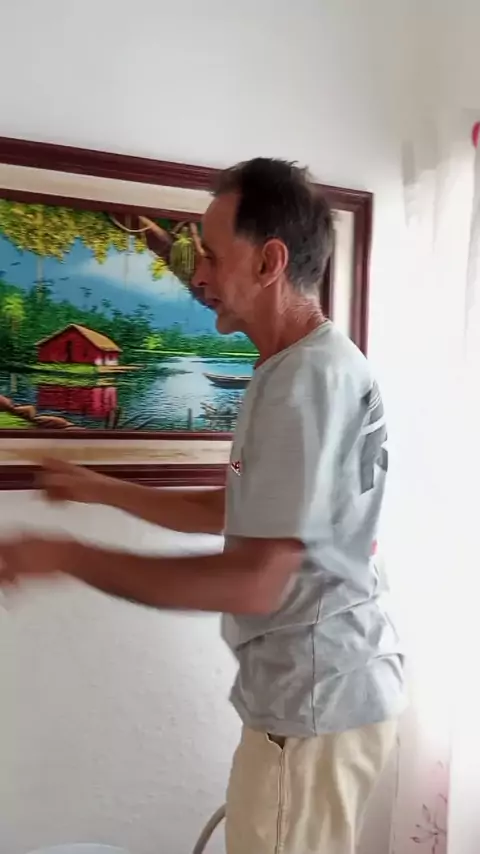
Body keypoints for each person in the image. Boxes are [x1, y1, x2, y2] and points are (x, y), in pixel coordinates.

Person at [0, 158, 405, 854]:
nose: (198, 275)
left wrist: (66, 556)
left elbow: (255, 580)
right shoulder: (303, 365)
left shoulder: (305, 383)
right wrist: (102, 489)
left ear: (270, 262)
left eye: (212, 255)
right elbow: (244, 509)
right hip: (321, 696)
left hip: (314, 705)